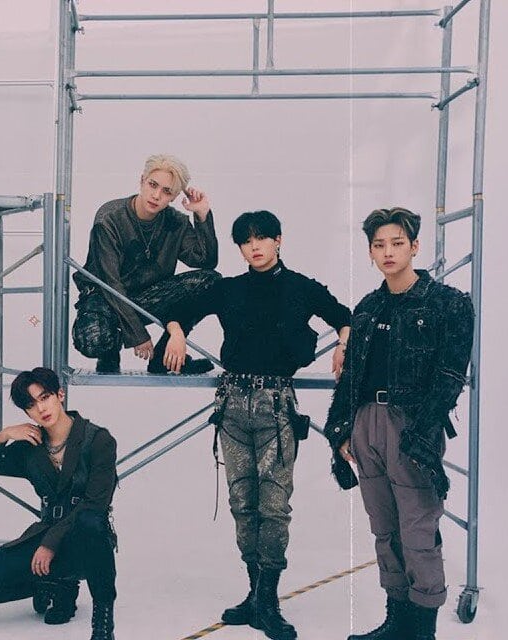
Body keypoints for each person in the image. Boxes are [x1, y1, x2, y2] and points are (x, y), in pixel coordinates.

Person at [162, 210, 351, 640]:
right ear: (240, 248)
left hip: (276, 408)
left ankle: (268, 600)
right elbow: (179, 310)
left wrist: (344, 343)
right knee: (242, 503)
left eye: (262, 238)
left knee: (274, 506)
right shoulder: (229, 289)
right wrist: (176, 332)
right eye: (246, 241)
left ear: (278, 239)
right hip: (231, 406)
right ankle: (255, 595)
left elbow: (344, 316)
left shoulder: (300, 287)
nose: (255, 246)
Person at [324, 207, 474, 640]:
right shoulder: (368, 308)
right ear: (370, 252)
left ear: (414, 246)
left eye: (396, 243)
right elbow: (352, 376)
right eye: (379, 245)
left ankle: (422, 629)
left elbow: (450, 375)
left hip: (411, 425)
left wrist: (422, 433)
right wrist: (341, 429)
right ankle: (397, 622)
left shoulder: (447, 304)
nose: (388, 252)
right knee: (384, 527)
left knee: (418, 529)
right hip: (367, 423)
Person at [0, 367, 119, 640]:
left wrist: (50, 544)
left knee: (91, 521)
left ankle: (103, 620)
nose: (41, 409)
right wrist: (6, 434)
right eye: (31, 405)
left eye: (44, 398)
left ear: (60, 395)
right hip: (45, 535)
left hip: (85, 542)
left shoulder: (98, 440)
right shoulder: (31, 447)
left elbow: (95, 504)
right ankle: (54, 584)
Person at [72, 154, 220, 374]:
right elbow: (110, 282)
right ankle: (110, 348)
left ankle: (163, 357)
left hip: (147, 297)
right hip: (103, 297)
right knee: (93, 341)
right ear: (142, 180)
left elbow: (205, 261)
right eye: (153, 185)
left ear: (174, 196)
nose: (156, 195)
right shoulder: (110, 217)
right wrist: (137, 334)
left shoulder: (176, 222)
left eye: (167, 191)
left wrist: (202, 215)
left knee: (210, 282)